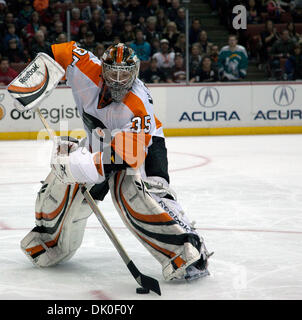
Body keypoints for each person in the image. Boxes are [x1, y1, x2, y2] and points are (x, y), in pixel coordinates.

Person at [20, 41, 211, 282]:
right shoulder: (86, 68)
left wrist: (84, 167)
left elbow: (126, 155)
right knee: (64, 182)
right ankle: (51, 240)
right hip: (100, 140)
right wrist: (36, 69)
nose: (119, 80)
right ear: (102, 68)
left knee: (134, 192)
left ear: (136, 73)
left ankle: (188, 248)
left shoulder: (139, 104)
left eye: (125, 74)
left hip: (145, 145)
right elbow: (61, 51)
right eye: (113, 72)